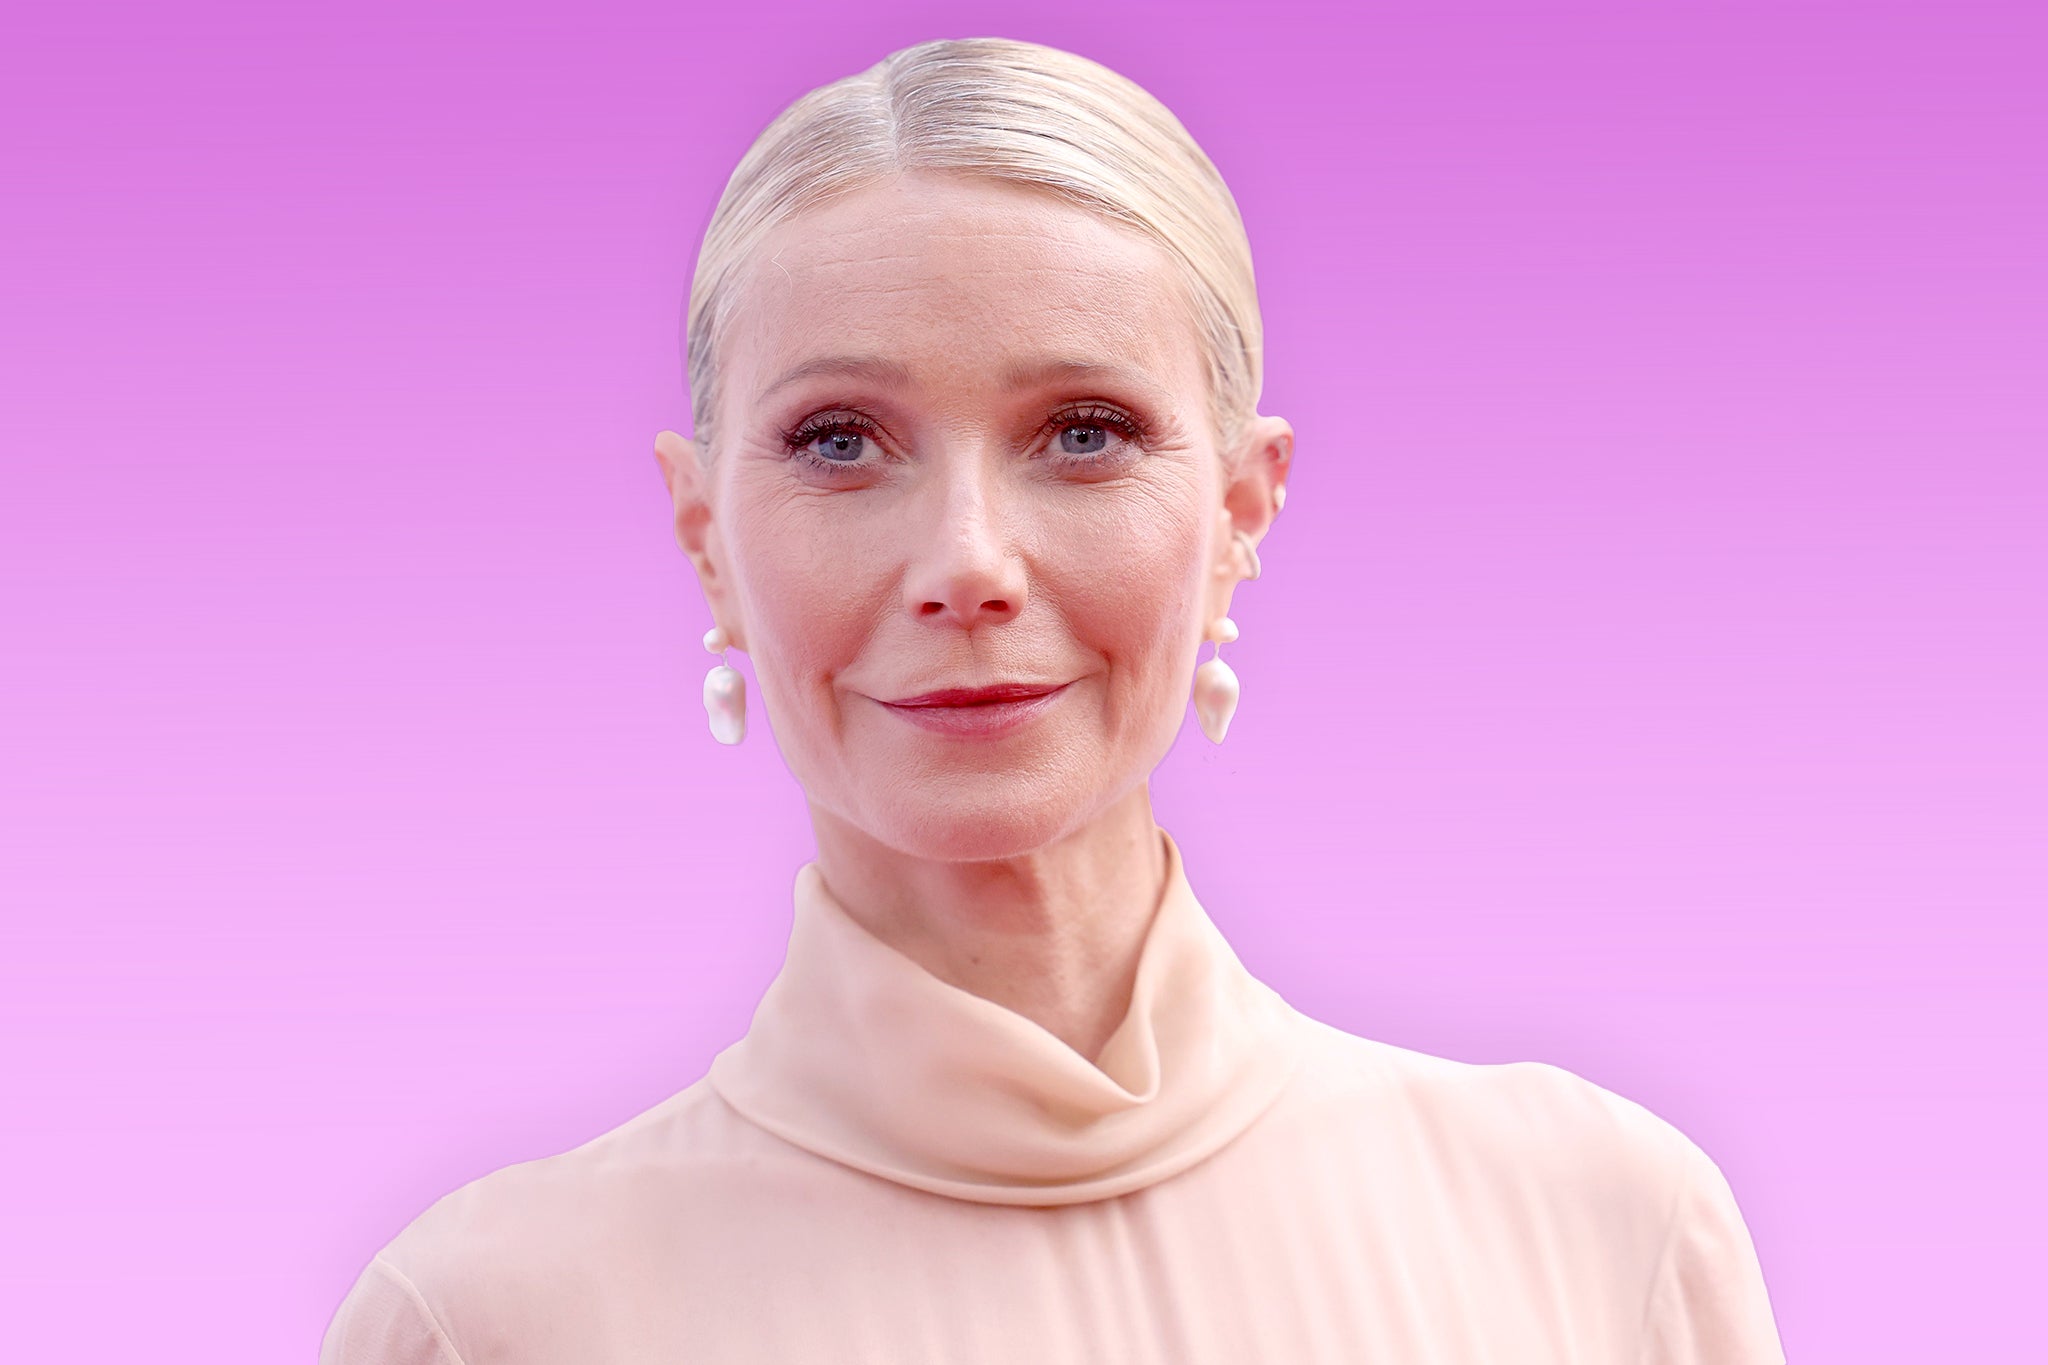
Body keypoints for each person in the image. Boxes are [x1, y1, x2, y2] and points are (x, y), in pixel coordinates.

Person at [319, 35, 1784, 1364]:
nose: (968, 563)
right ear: (707, 537)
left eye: (1083, 432)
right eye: (840, 441)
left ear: (1240, 509)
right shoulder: (491, 1321)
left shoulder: (1600, 1234)